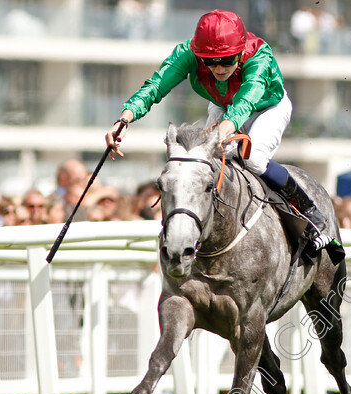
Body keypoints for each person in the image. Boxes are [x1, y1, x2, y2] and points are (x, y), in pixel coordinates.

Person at [104, 9, 333, 250]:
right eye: (210, 61)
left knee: (252, 159)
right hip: (223, 104)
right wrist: (124, 119)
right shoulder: (187, 53)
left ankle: (310, 213)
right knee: (204, 161)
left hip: (267, 108)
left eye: (227, 60)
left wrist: (222, 132)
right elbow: (156, 86)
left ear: (240, 52)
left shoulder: (259, 56)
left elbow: (245, 103)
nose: (219, 68)